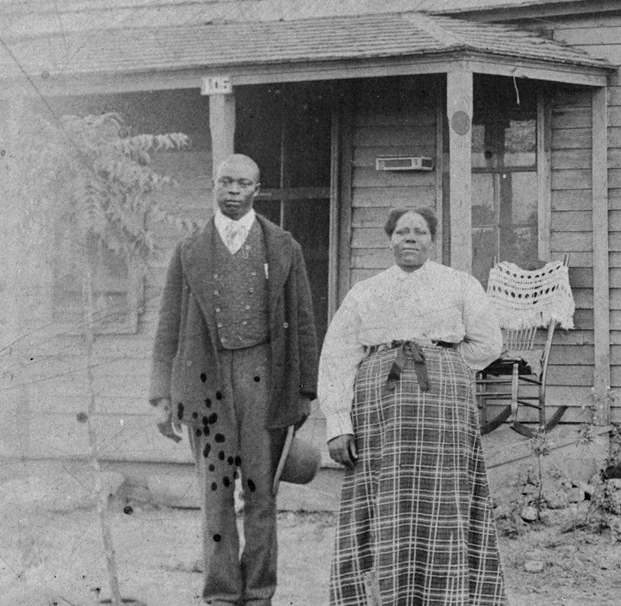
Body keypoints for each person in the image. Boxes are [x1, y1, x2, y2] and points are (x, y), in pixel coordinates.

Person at [150, 154, 320, 606]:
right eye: (225, 182)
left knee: (261, 492)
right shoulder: (189, 251)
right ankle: (222, 593)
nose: (232, 191)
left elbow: (304, 322)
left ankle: (260, 592)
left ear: (256, 190)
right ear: (213, 184)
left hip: (264, 378)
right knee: (216, 492)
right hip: (205, 381)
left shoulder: (283, 247)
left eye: (242, 184)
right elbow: (168, 326)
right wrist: (162, 396)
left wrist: (304, 391)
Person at [318, 206, 507, 605]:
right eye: (402, 231)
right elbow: (338, 354)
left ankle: (447, 594)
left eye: (419, 232)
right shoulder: (365, 291)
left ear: (432, 240)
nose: (410, 238)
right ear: (389, 239)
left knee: (445, 496)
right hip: (379, 408)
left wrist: (445, 364)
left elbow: (489, 342)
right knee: (381, 495)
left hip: (444, 407)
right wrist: (338, 422)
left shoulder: (459, 284)